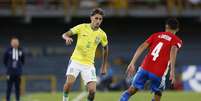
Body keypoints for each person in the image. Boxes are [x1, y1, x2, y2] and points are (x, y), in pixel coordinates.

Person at [119, 18, 183, 101]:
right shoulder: (177, 40)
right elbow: (173, 50)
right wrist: (172, 70)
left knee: (131, 90)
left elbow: (142, 47)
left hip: (144, 68)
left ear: (166, 26)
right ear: (177, 29)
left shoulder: (155, 35)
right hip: (158, 72)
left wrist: (132, 62)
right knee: (158, 92)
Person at [62, 8, 109, 101]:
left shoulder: (102, 34)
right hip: (76, 60)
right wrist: (66, 38)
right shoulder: (82, 27)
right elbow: (65, 34)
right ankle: (64, 99)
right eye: (96, 18)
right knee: (69, 83)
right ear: (91, 18)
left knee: (92, 91)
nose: (98, 21)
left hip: (89, 64)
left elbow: (106, 48)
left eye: (100, 19)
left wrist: (104, 66)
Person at [3, 37, 25, 101]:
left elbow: (23, 60)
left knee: (17, 87)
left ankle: (17, 99)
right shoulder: (8, 51)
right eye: (14, 42)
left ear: (18, 43)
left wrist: (19, 68)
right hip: (10, 73)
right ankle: (8, 99)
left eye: (16, 42)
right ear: (11, 43)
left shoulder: (20, 50)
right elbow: (4, 60)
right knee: (9, 87)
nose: (15, 43)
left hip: (18, 73)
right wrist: (9, 68)